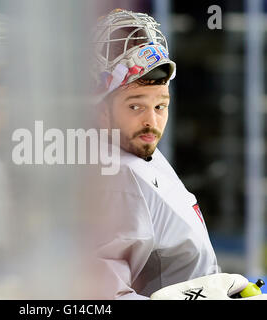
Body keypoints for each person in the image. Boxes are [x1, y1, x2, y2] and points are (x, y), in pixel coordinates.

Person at [88, 8, 266, 300]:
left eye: (160, 106)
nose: (152, 121)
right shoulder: (115, 178)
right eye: (135, 106)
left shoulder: (136, 148)